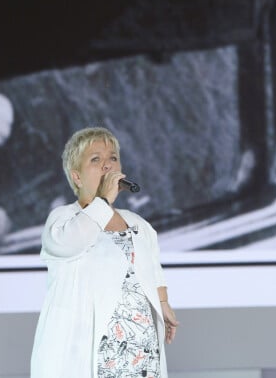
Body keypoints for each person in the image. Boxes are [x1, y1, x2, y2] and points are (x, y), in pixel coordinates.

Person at [30, 126, 179, 378]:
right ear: (77, 177)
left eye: (113, 158)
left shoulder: (137, 223)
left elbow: (153, 267)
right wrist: (104, 202)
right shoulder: (65, 218)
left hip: (139, 351)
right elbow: (70, 242)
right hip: (89, 352)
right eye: (95, 159)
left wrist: (163, 304)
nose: (107, 165)